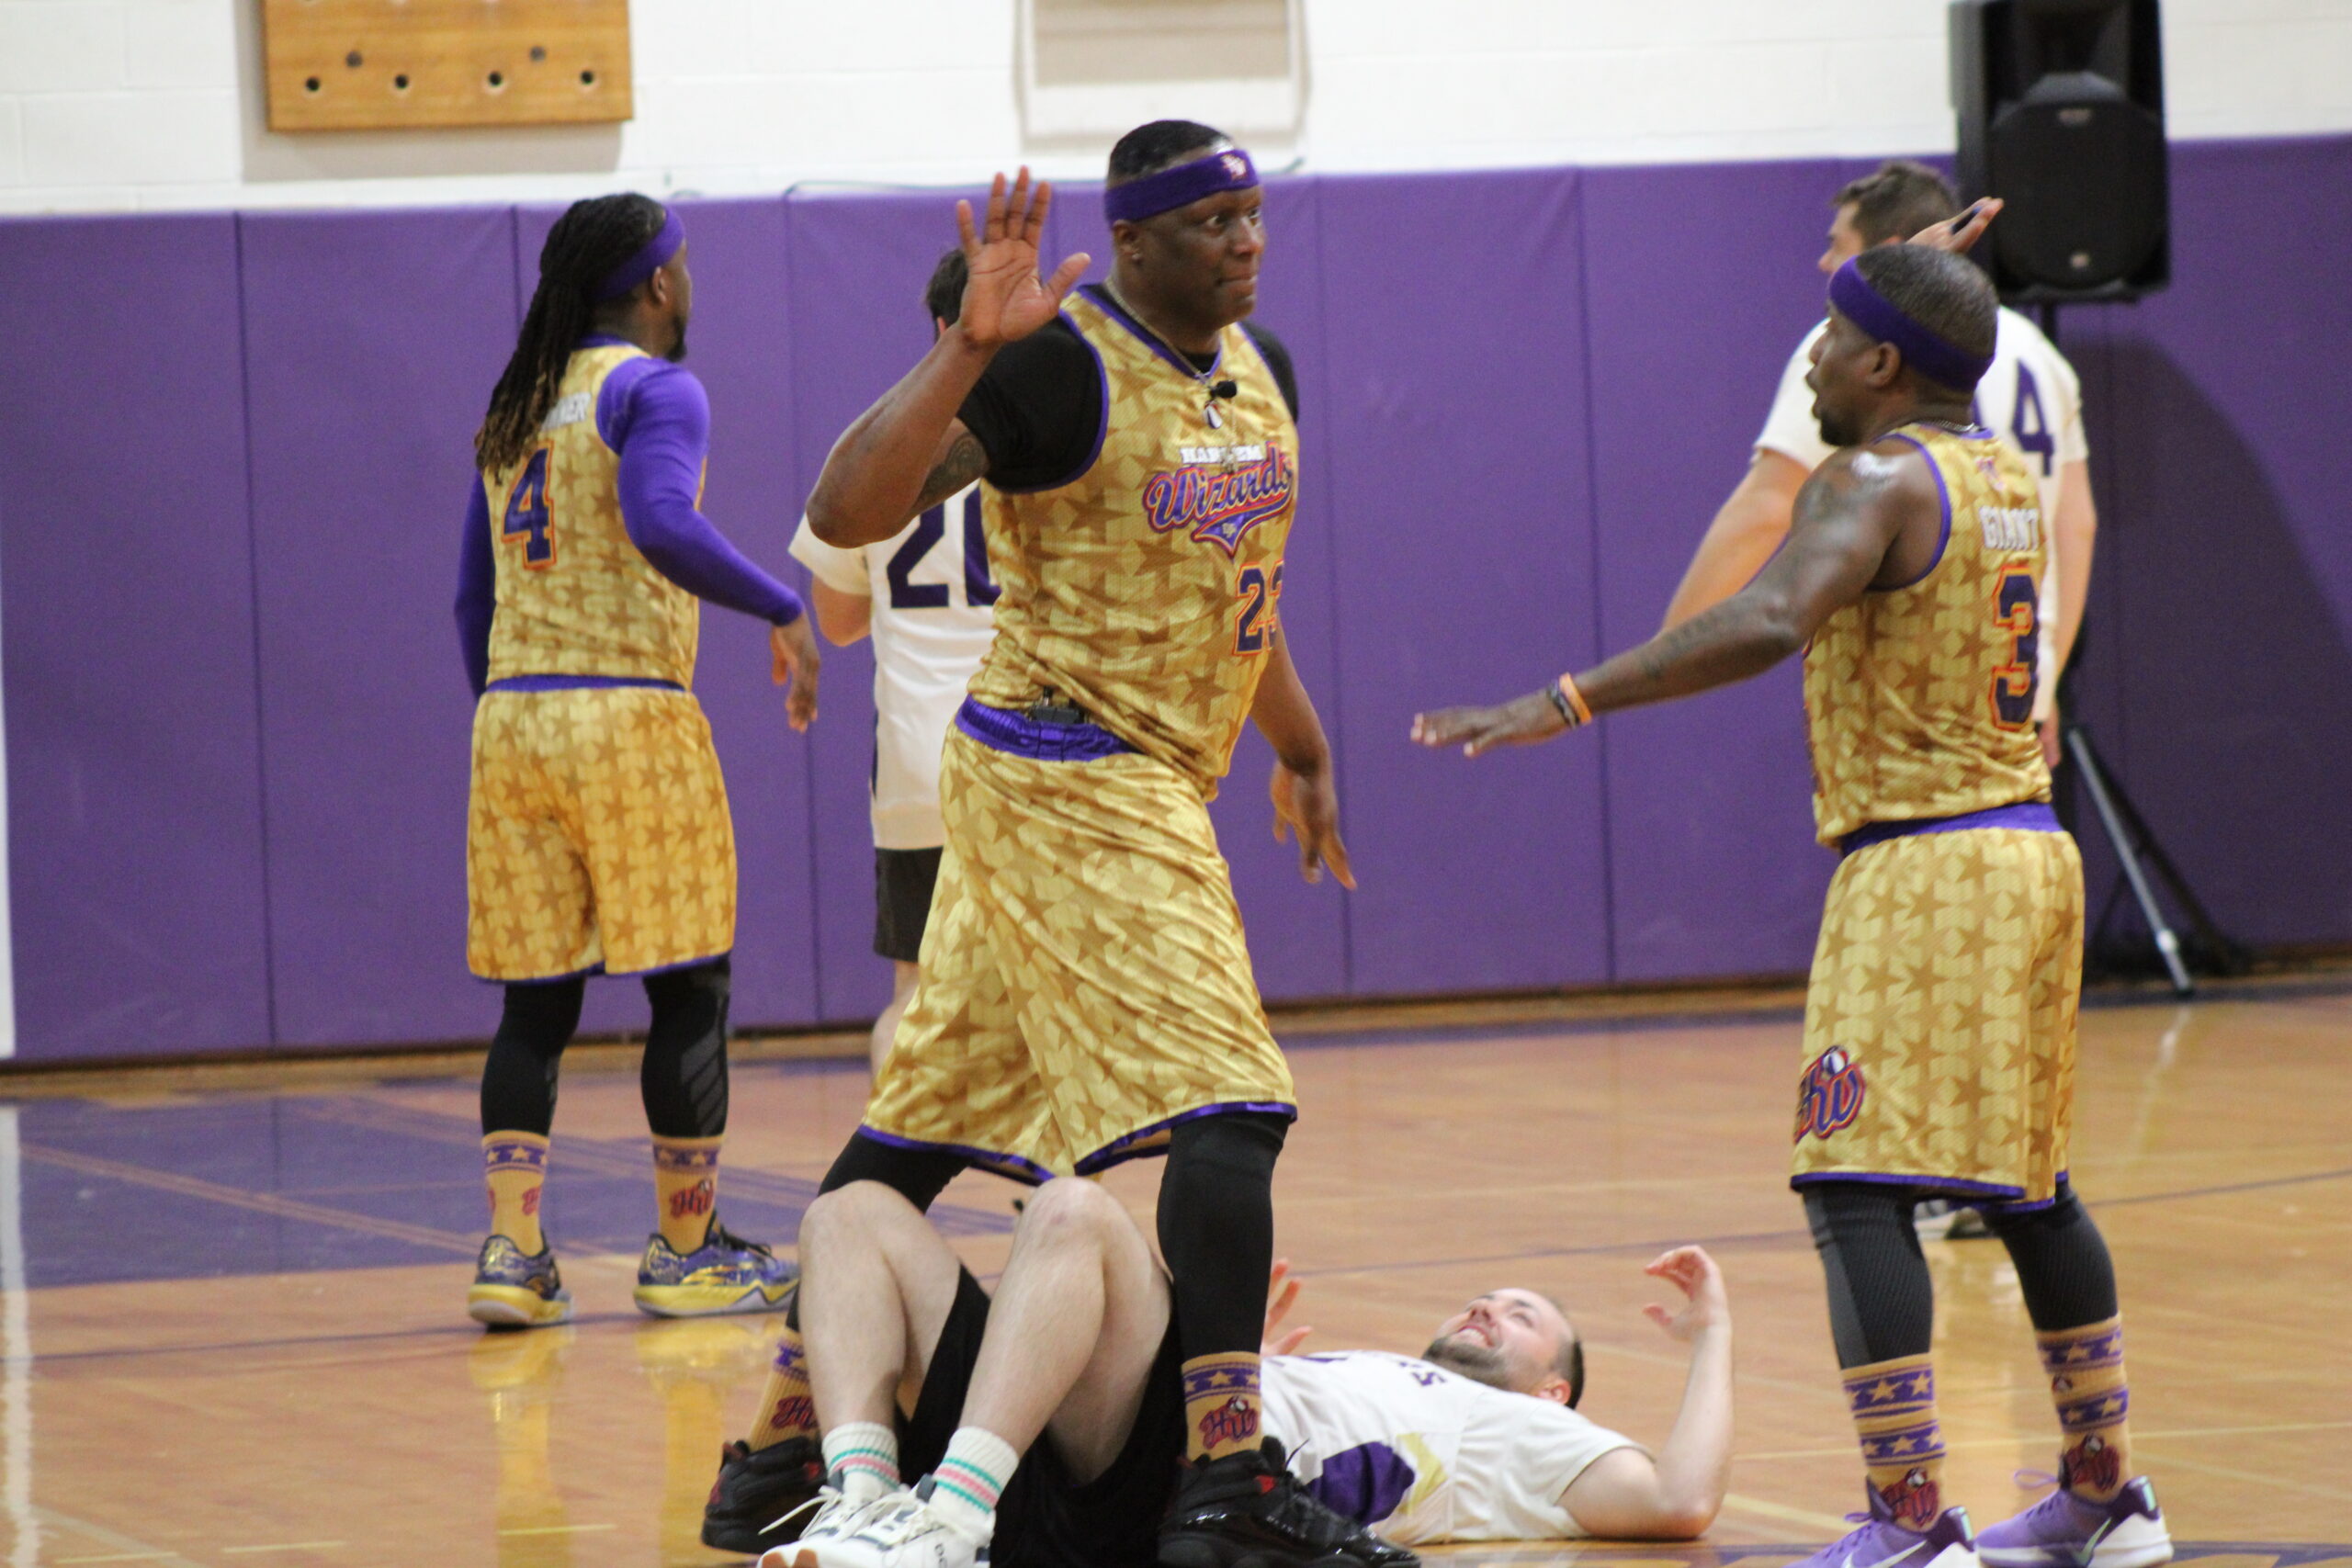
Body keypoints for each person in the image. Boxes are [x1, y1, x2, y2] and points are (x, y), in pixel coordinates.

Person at [1412, 240, 2170, 1568]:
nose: (1810, 359)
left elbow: (1770, 616)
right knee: (2032, 1183)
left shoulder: (1872, 474)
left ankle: (1911, 1518)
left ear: (1882, 364)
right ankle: (2108, 1493)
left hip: (1928, 865)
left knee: (1853, 1182)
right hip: (2031, 844)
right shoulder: (1999, 469)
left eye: (1826, 339)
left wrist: (1567, 696)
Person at [710, 120, 1369, 1567]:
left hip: (1104, 777)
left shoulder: (1265, 374)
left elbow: (1233, 598)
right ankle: (1224, 1482)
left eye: (1253, 214)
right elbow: (843, 512)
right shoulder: (1061, 363)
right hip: (1076, 766)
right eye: (1209, 220)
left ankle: (770, 1454)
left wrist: (1303, 745)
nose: (1243, 239)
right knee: (1234, 1103)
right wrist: (964, 349)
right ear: (1131, 240)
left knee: (914, 1131)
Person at [457, 193, 821, 1328]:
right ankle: (684, 1249)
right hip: (629, 715)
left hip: (511, 721)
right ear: (659, 283)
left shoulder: (514, 406)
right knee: (688, 986)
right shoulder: (653, 389)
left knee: (535, 1005)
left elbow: (473, 600)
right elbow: (659, 521)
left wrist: (519, 713)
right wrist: (780, 605)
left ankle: (513, 1254)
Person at [716, 1178, 1732, 1568]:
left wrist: (1715, 1330)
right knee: (850, 1215)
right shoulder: (1375, 1373)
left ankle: (946, 1520)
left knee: (1076, 1212)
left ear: (1552, 1389)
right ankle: (862, 1504)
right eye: (1487, 1295)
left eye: (1521, 1319)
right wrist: (1236, 1363)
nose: (1487, 1310)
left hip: (1148, 1491)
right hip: (1059, 1443)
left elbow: (1679, 1499)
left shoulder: (1521, 1430)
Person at [1663, 161, 2098, 776]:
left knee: (1908, 854)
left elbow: (1765, 507)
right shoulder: (2040, 354)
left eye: (1837, 246)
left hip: (1918, 707)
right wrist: (2046, 675)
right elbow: (2075, 527)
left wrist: (1671, 651)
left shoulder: (1856, 350)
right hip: (2013, 694)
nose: (1822, 263)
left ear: (1895, 253)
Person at [789, 249, 998, 1074]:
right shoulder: (1057, 439)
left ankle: (888, 1184)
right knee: (1037, 995)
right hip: (1025, 751)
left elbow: (836, 622)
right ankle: (1042, 1201)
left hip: (916, 760)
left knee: (914, 989)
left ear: (940, 330)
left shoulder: (872, 438)